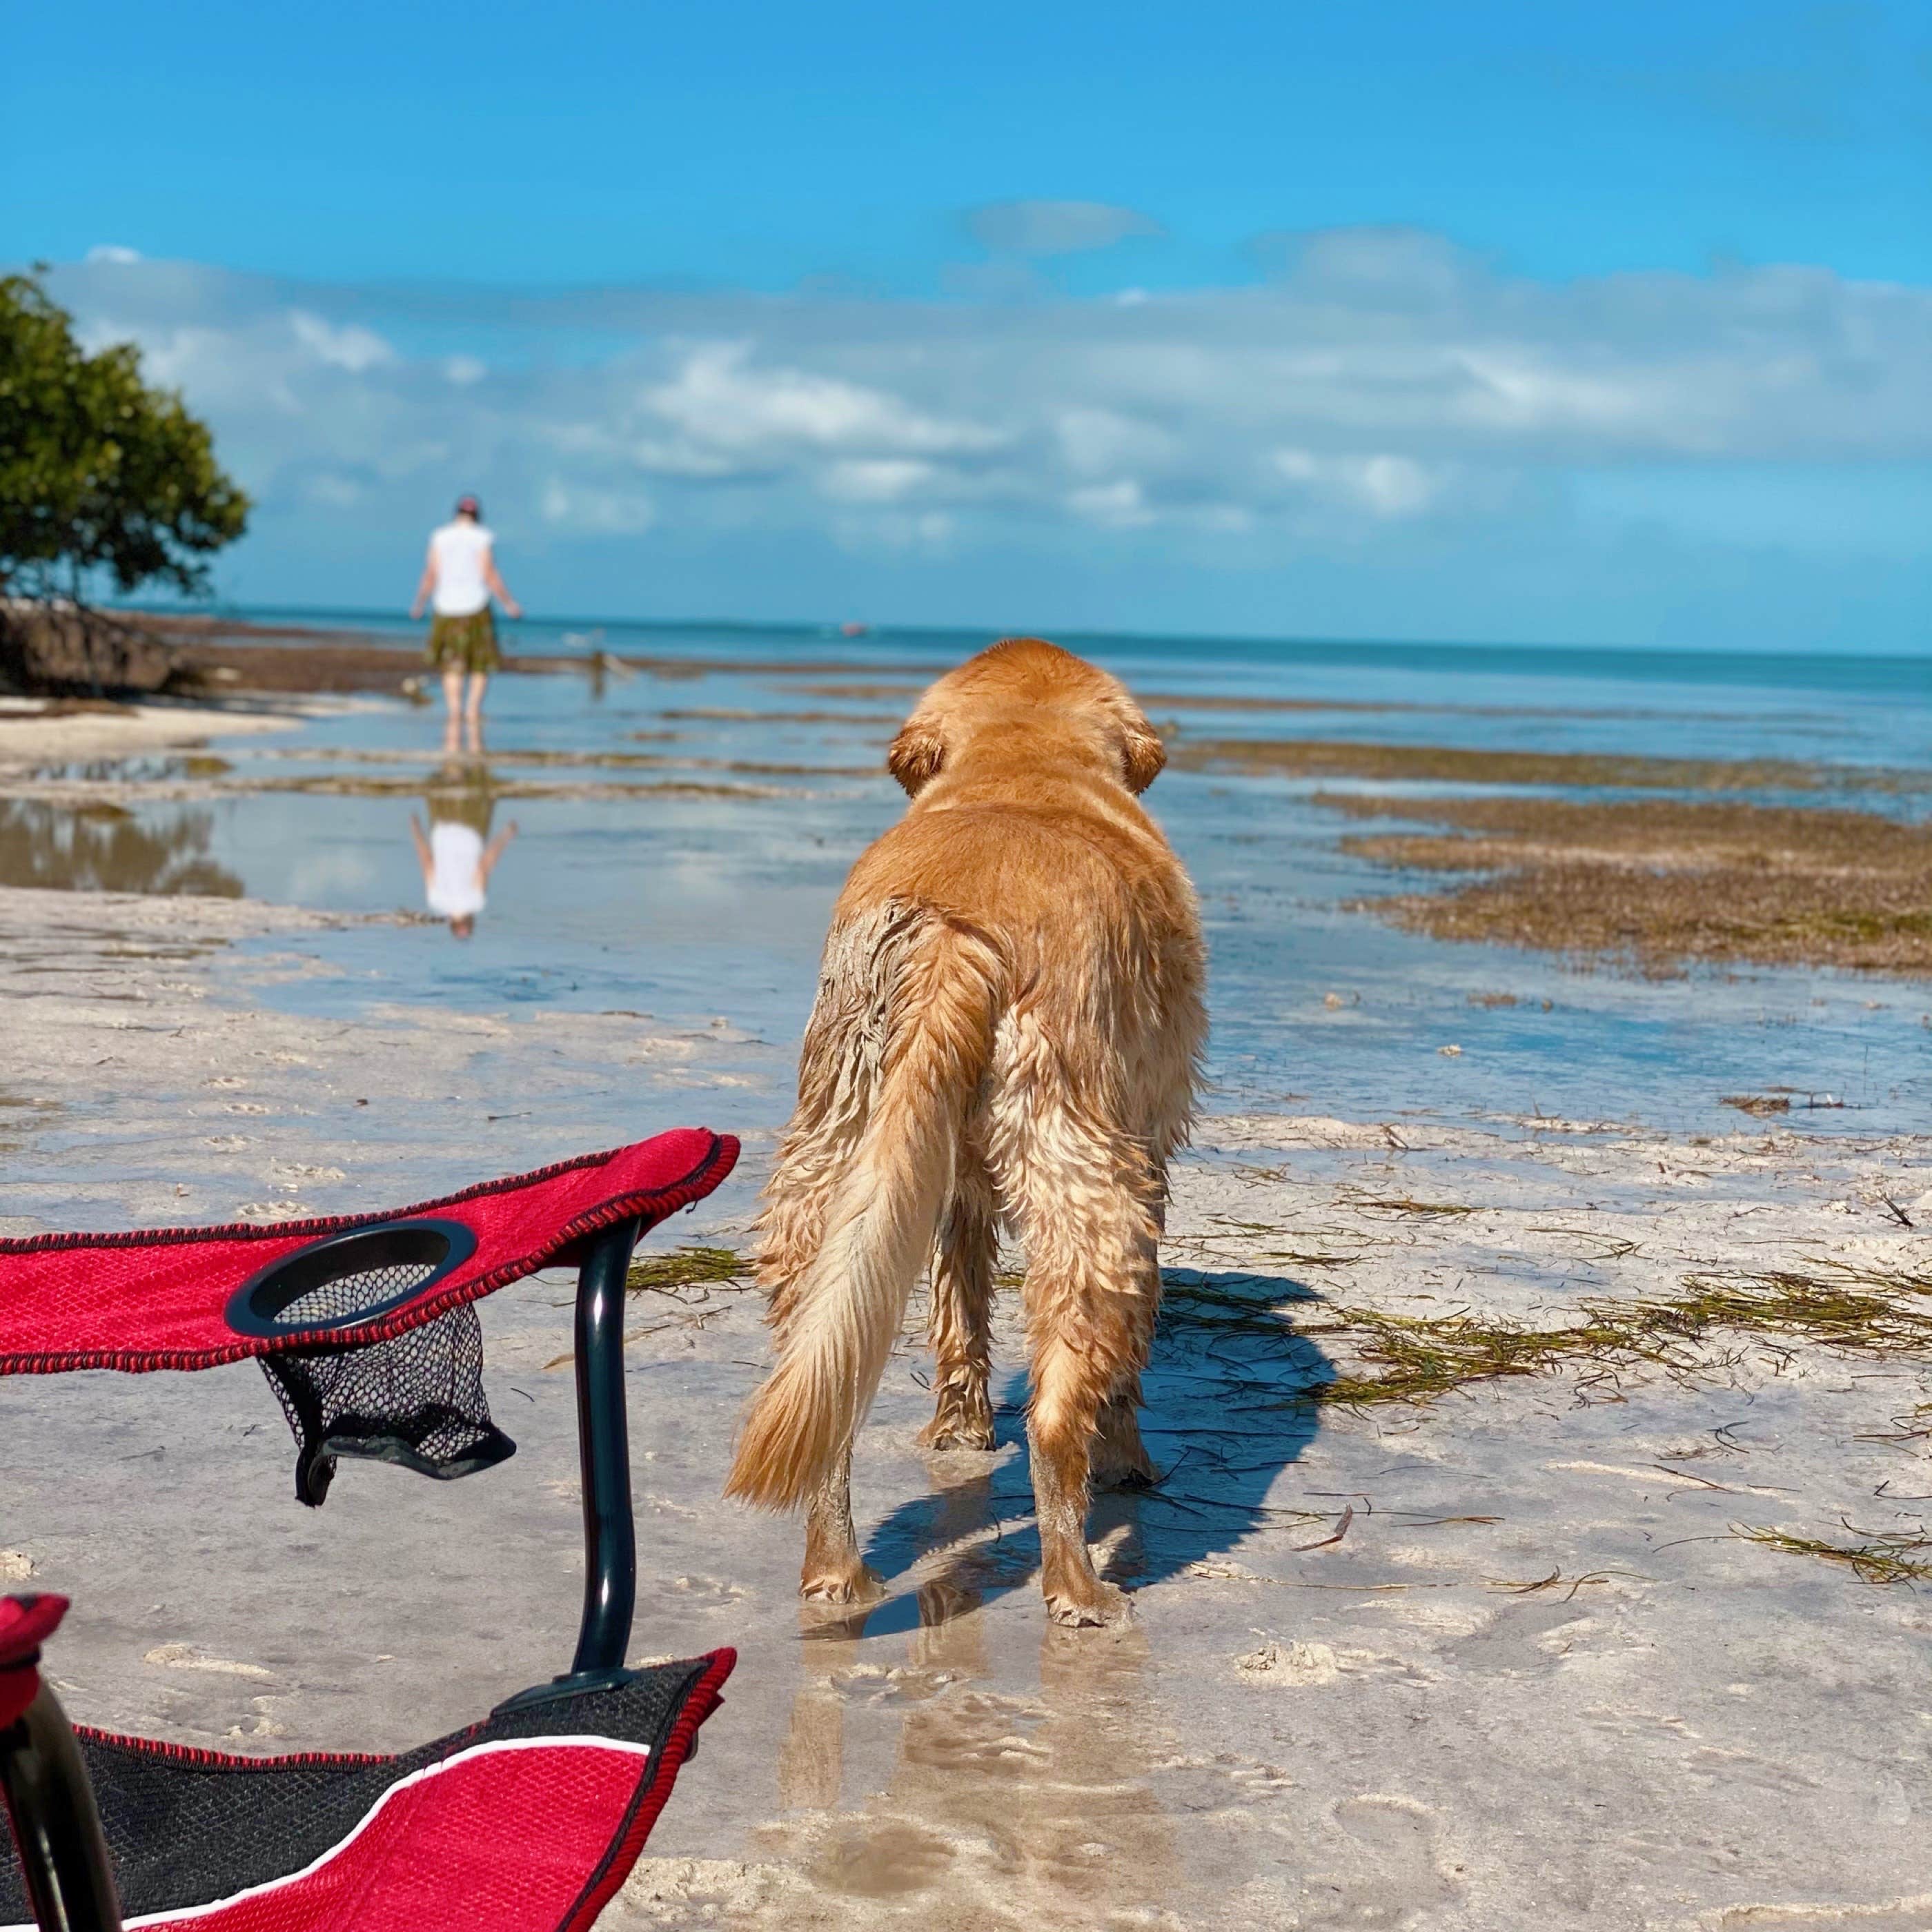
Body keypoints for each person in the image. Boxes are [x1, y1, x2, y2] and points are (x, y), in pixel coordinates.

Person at [410, 495, 522, 752]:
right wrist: (509, 603)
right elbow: (489, 573)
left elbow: (431, 573)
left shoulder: (440, 536)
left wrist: (419, 603)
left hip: (446, 606)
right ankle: (472, 712)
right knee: (480, 662)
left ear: (456, 512)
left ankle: (454, 712)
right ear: (477, 514)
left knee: (452, 662)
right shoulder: (482, 536)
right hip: (475, 605)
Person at [410, 763, 518, 940]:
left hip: (470, 834)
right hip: (443, 831)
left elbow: (485, 865)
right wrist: (416, 830)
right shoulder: (436, 901)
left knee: (476, 777)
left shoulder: (475, 902)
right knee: (450, 776)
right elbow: (427, 861)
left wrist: (506, 834)